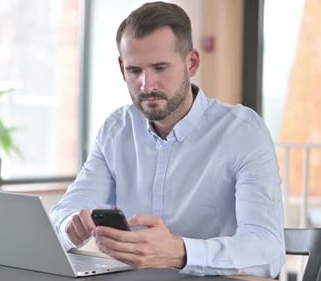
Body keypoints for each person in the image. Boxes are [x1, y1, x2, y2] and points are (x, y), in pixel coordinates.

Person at [50, 1, 285, 278]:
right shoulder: (116, 130)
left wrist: (182, 252)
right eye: (134, 71)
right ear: (121, 67)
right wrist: (70, 227)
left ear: (192, 62)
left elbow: (268, 251)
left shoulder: (244, 132)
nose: (146, 85)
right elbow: (61, 215)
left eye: (160, 68)